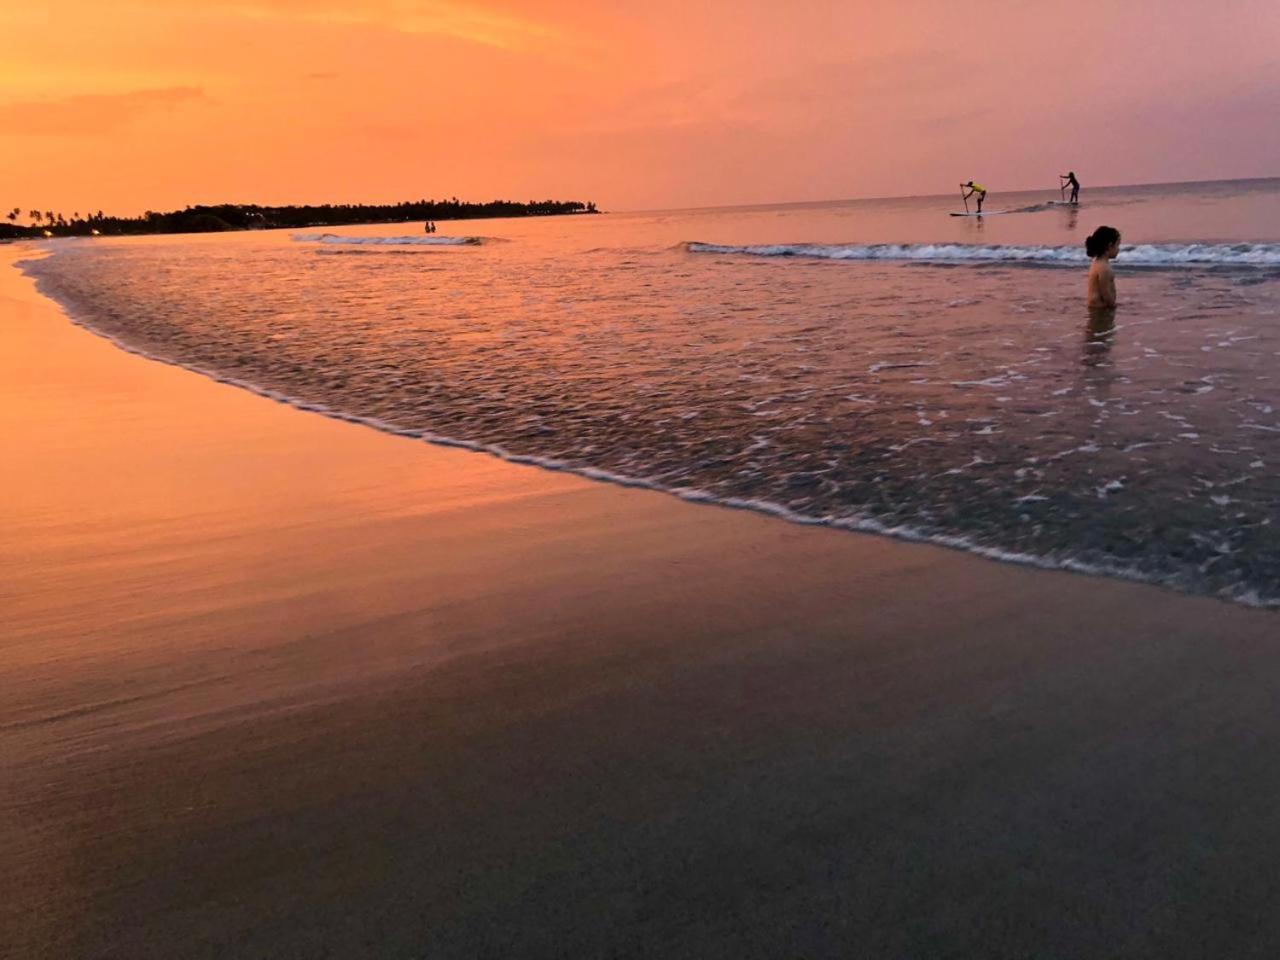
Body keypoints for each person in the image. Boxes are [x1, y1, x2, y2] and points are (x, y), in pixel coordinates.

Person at [1085, 225, 1120, 308]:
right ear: (1110, 246)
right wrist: (1113, 306)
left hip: (1096, 308)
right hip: (1101, 310)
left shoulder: (1096, 263)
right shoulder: (1105, 268)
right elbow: (1106, 293)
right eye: (1117, 245)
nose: (1118, 249)